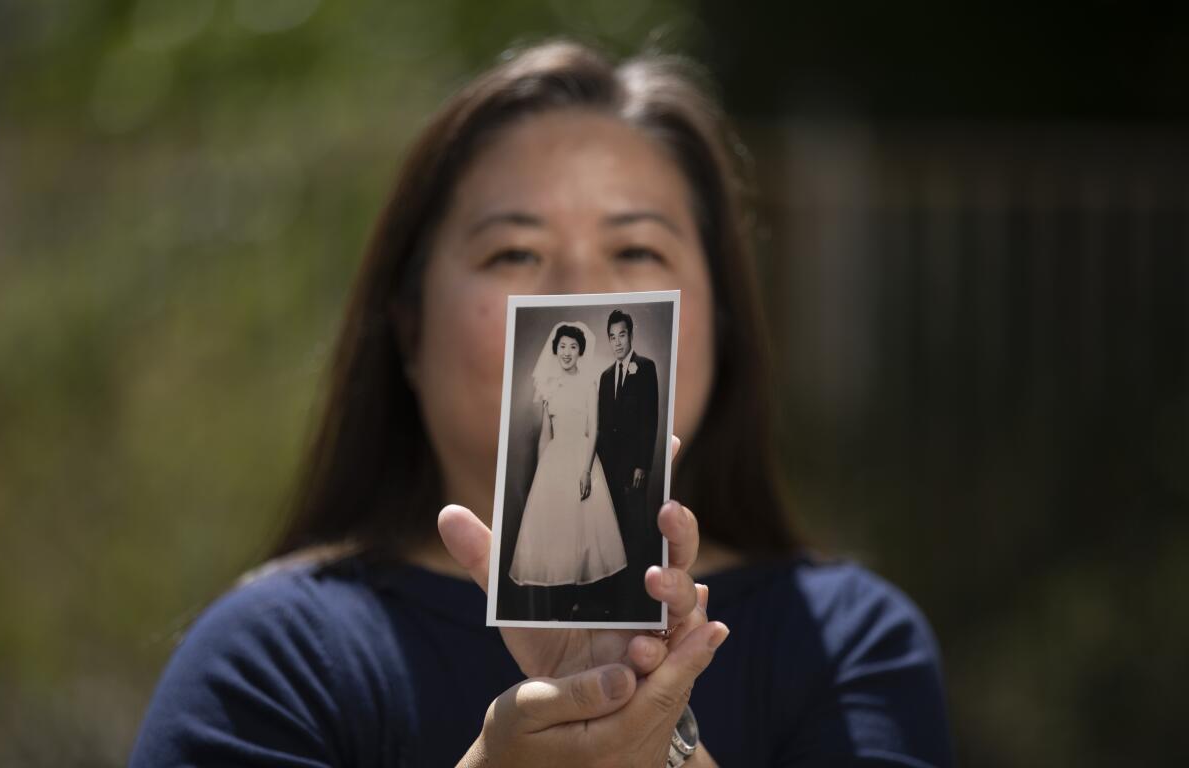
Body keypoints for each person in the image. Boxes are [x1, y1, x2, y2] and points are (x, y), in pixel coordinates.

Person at [130, 39, 953, 767]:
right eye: (514, 251)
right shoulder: (273, 660)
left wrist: (656, 743)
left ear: (723, 323)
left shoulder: (846, 642)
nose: (579, 296)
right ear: (408, 330)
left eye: (635, 249)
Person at [508, 321, 626, 588]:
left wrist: (585, 471)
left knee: (585, 528)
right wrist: (541, 474)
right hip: (554, 459)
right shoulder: (549, 386)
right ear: (555, 349)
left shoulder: (588, 384)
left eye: (573, 347)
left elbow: (594, 428)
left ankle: (583, 600)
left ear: (580, 351)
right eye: (562, 346)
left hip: (582, 456)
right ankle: (560, 600)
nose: (567, 352)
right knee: (555, 530)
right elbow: (545, 434)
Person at [597, 309, 661, 619]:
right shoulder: (606, 376)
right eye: (612, 336)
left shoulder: (646, 369)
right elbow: (602, 426)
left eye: (622, 335)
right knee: (611, 534)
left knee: (634, 532)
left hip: (633, 469)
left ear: (631, 335)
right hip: (608, 468)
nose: (618, 342)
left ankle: (638, 602)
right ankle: (613, 603)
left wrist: (642, 465)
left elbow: (650, 420)